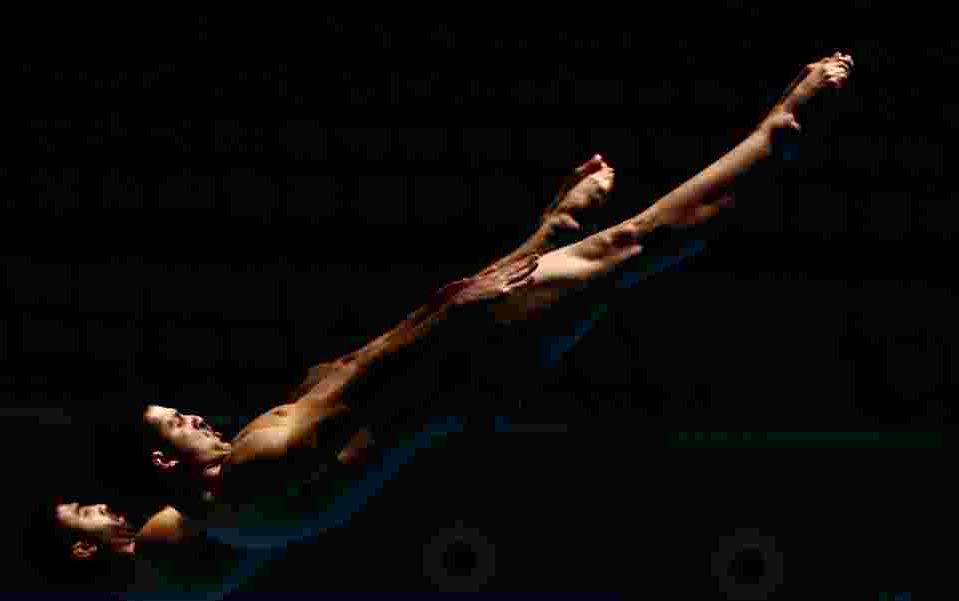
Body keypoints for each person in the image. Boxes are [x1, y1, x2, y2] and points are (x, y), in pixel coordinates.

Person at [64, 52, 856, 558]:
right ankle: (783, 124)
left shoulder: (212, 519)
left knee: (624, 252)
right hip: (476, 357)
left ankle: (746, 149)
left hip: (462, 383)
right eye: (177, 422)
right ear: (166, 460)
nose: (195, 415)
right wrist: (545, 232)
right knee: (636, 243)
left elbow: (364, 363)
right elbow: (409, 339)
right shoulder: (260, 459)